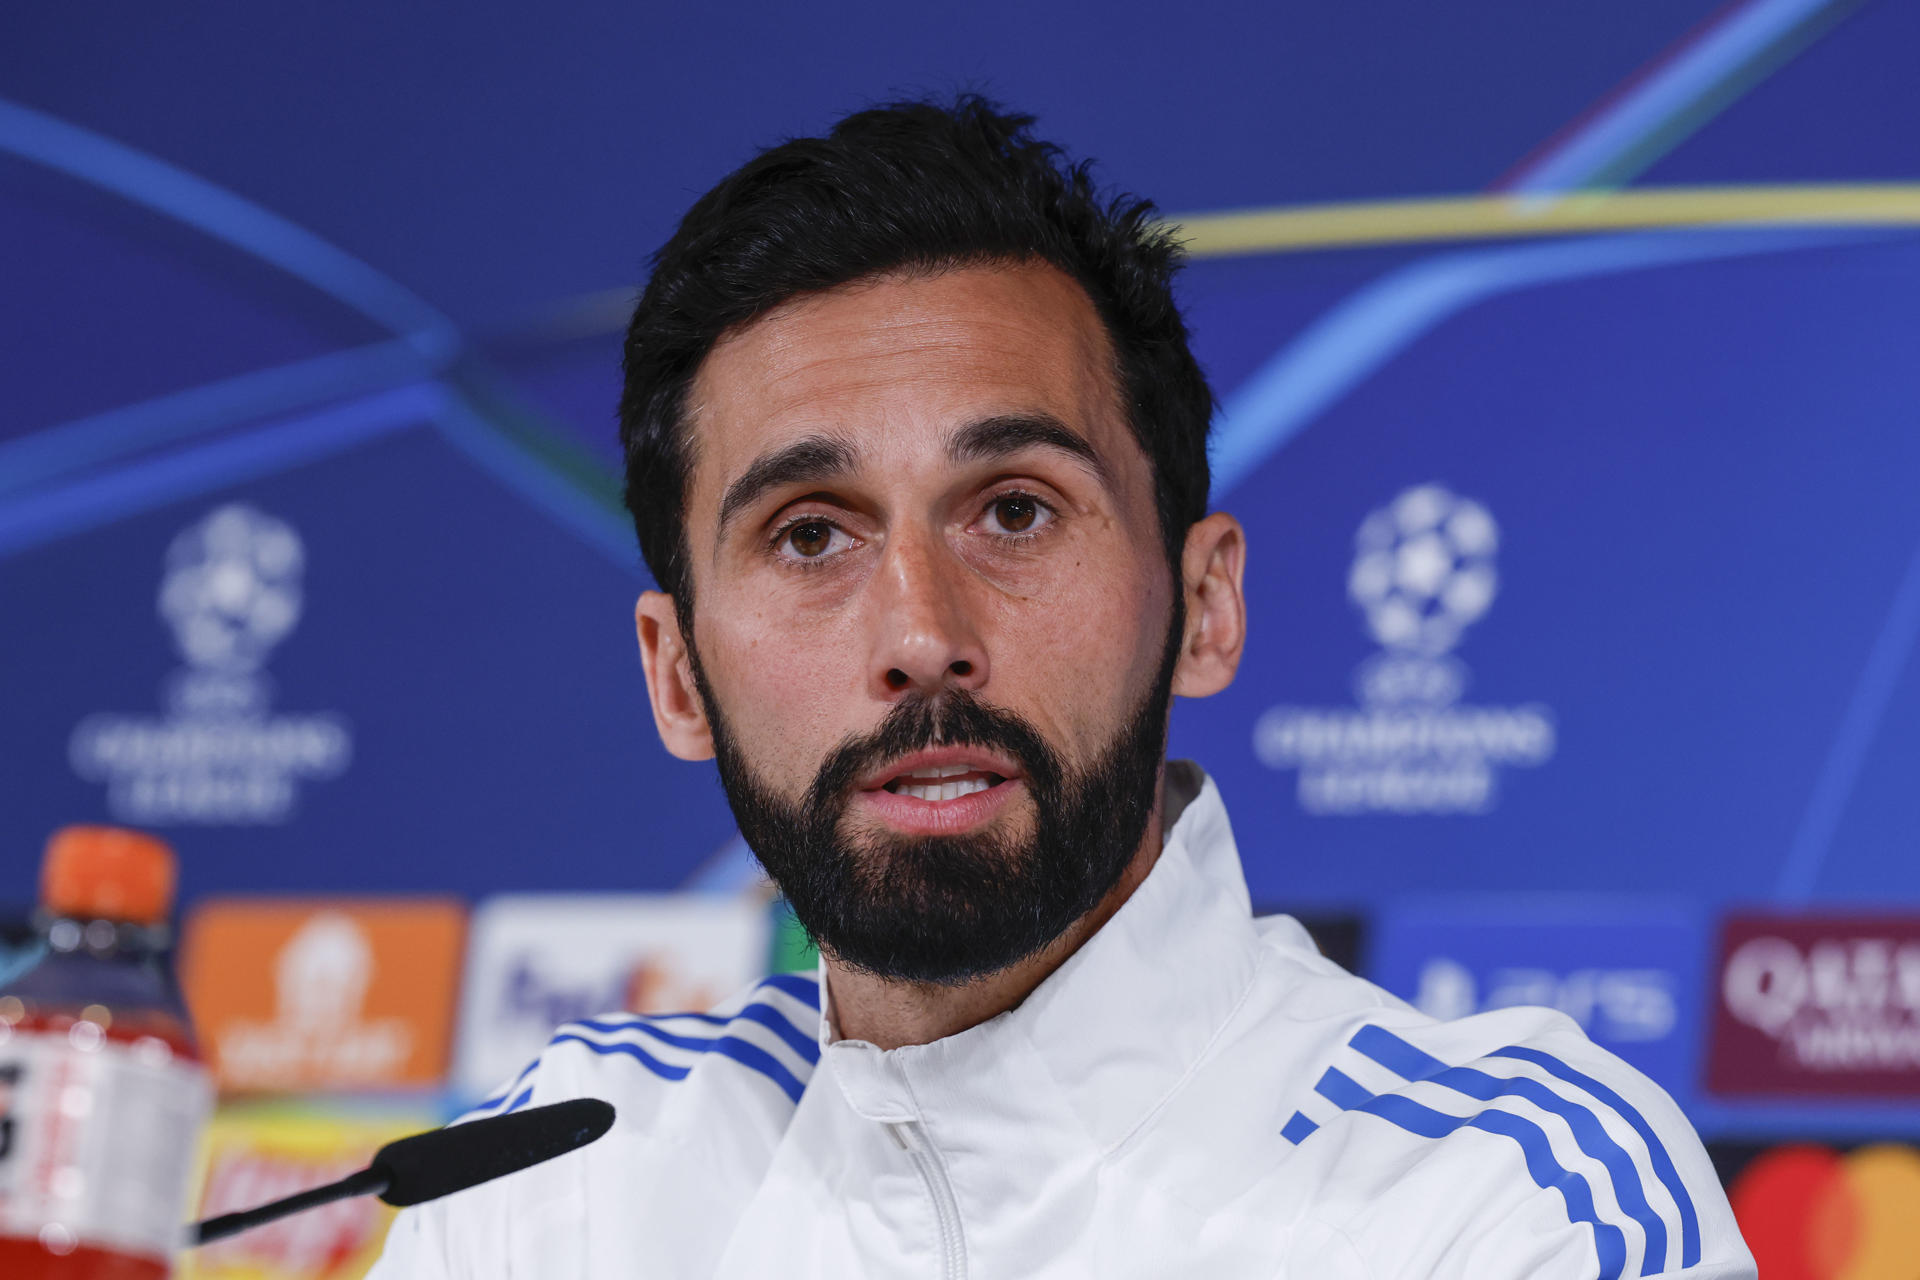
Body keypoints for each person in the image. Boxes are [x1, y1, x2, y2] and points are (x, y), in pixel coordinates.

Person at [371, 97, 1753, 1279]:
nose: (923, 633)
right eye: (811, 535)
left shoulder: (1499, 1199)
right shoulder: (549, 1196)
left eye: (1015, 512)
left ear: (1203, 606)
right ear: (678, 678)